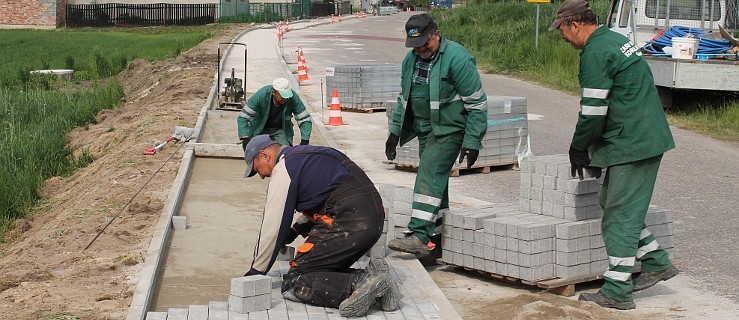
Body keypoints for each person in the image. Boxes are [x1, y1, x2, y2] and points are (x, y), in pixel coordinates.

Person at [549, 0, 679, 310]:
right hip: (643, 135)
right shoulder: (616, 39)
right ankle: (656, 260)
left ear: (575, 24)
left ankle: (618, 290)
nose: (563, 37)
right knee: (613, 203)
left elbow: (594, 110)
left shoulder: (595, 52)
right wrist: (597, 152)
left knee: (618, 215)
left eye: (563, 31)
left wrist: (579, 147)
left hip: (633, 142)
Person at [241, 134, 400, 317]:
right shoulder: (306, 156)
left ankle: (362, 282)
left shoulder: (284, 167)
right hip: (372, 221)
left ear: (265, 155)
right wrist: (295, 231)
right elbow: (325, 197)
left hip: (351, 221)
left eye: (256, 169)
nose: (260, 176)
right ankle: (378, 282)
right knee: (320, 269)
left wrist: (255, 273)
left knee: (296, 279)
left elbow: (272, 227)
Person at [385, 13, 488, 256]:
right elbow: (404, 99)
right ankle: (435, 245)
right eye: (416, 46)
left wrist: (472, 141)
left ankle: (419, 235)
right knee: (436, 187)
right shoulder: (410, 61)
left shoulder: (458, 59)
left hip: (449, 130)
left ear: (437, 34)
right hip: (424, 130)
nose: (421, 49)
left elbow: (477, 104)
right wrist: (394, 132)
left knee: (428, 174)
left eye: (425, 44)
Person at [237, 78, 312, 150]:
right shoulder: (261, 95)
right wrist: (245, 137)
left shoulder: (293, 98)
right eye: (283, 96)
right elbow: (243, 118)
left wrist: (304, 141)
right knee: (256, 151)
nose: (286, 99)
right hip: (260, 129)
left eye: (287, 96)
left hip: (281, 129)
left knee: (285, 152)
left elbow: (304, 119)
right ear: (273, 92)